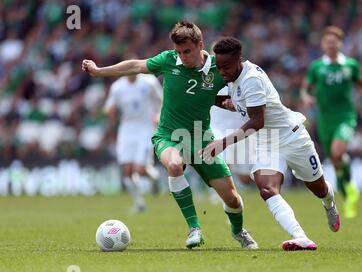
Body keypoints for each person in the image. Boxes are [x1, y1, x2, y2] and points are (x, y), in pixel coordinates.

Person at [82, 21, 257, 249]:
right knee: (174, 165)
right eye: (179, 52)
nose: (182, 57)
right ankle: (194, 228)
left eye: (187, 51)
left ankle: (238, 230)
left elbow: (240, 85)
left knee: (232, 199)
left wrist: (233, 104)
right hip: (168, 135)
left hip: (201, 138)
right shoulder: (168, 60)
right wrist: (99, 71)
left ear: (200, 45)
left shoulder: (218, 68)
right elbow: (136, 65)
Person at [200, 37, 340, 251]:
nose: (222, 72)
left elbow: (257, 120)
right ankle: (301, 237)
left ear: (239, 59)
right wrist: (223, 102)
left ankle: (329, 203)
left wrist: (223, 143)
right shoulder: (233, 77)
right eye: (218, 67)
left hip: (292, 137)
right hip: (267, 142)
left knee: (319, 188)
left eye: (226, 67)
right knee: (266, 188)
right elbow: (226, 100)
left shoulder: (252, 79)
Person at [300, 26, 362, 218]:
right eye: (327, 42)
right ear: (323, 45)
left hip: (345, 116)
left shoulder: (350, 65)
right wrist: (307, 97)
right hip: (325, 119)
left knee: (337, 152)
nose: (331, 45)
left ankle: (349, 187)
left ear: (340, 44)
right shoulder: (317, 67)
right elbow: (305, 88)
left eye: (334, 42)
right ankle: (349, 192)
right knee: (335, 160)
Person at [104, 53, 163, 213]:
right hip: (127, 130)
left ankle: (154, 177)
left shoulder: (149, 82)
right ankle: (139, 203)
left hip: (145, 129)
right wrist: (110, 116)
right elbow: (110, 107)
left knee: (139, 170)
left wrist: (158, 116)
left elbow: (162, 99)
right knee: (127, 171)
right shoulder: (117, 87)